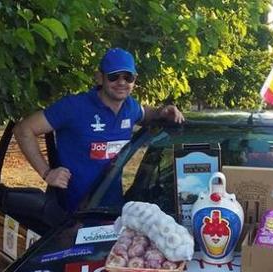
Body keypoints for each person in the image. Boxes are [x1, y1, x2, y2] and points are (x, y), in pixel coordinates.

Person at [14, 48, 185, 213]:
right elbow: (24, 129)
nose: (121, 82)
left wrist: (162, 112)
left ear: (135, 79)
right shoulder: (74, 107)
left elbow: (146, 114)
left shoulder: (130, 107)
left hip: (111, 212)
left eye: (128, 77)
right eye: (113, 76)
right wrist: (46, 173)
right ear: (99, 78)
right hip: (70, 215)